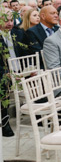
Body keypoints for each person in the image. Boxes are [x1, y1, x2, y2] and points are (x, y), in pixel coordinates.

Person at [1, 8, 28, 137]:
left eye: (11, 20)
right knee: (3, 83)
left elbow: (25, 54)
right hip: (4, 74)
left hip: (19, 71)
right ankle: (5, 124)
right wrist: (7, 73)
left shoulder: (18, 33)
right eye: (5, 20)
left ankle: (38, 113)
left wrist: (28, 70)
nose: (10, 23)